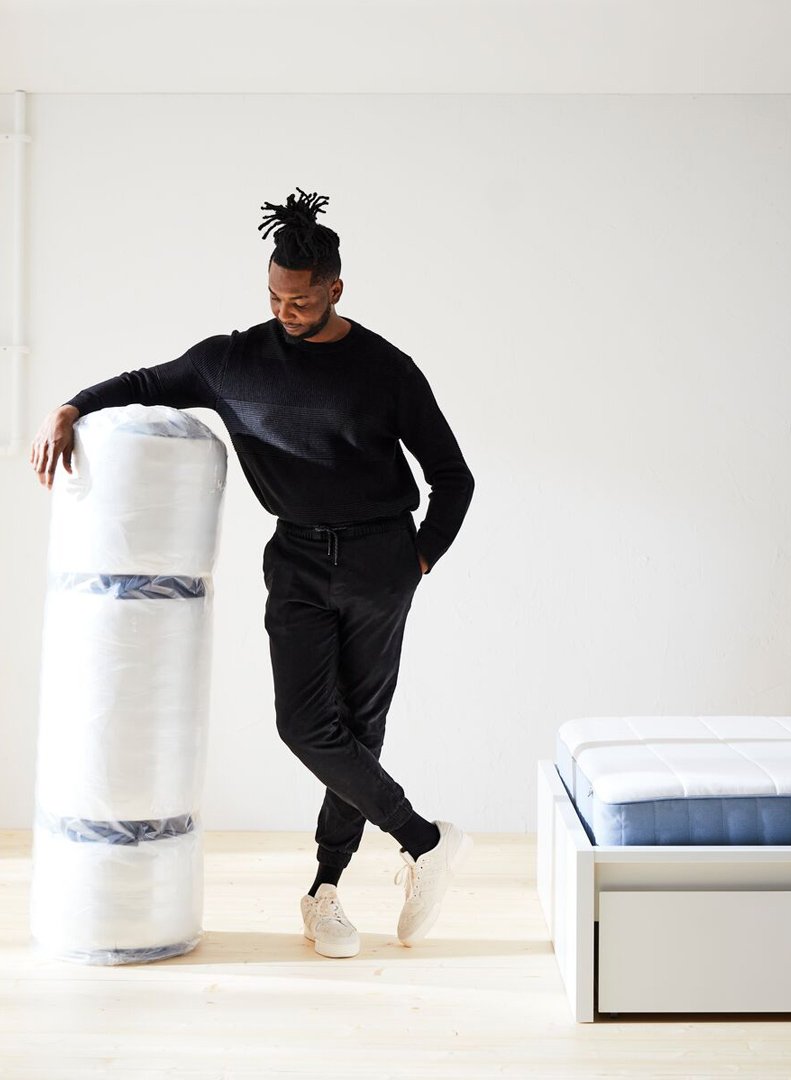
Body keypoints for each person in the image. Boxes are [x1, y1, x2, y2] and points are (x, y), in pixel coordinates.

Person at [29, 187, 476, 959]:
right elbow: (144, 383)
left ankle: (325, 891)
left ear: (335, 289)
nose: (284, 311)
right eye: (273, 297)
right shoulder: (229, 360)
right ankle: (426, 840)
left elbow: (453, 477)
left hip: (380, 560)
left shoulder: (386, 369)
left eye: (300, 300)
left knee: (360, 730)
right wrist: (69, 406)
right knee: (306, 727)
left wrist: (418, 559)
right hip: (296, 558)